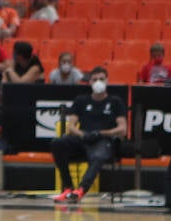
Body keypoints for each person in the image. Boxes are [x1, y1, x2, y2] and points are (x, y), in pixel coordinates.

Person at [50, 67, 128, 203]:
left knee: (99, 155)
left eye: (101, 79)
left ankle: (80, 190)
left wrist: (100, 133)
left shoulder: (115, 102)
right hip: (84, 139)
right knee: (58, 143)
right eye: (95, 79)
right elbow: (71, 127)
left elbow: (122, 129)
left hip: (103, 141)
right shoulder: (81, 100)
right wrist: (83, 134)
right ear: (90, 82)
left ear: (107, 81)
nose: (98, 82)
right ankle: (67, 188)